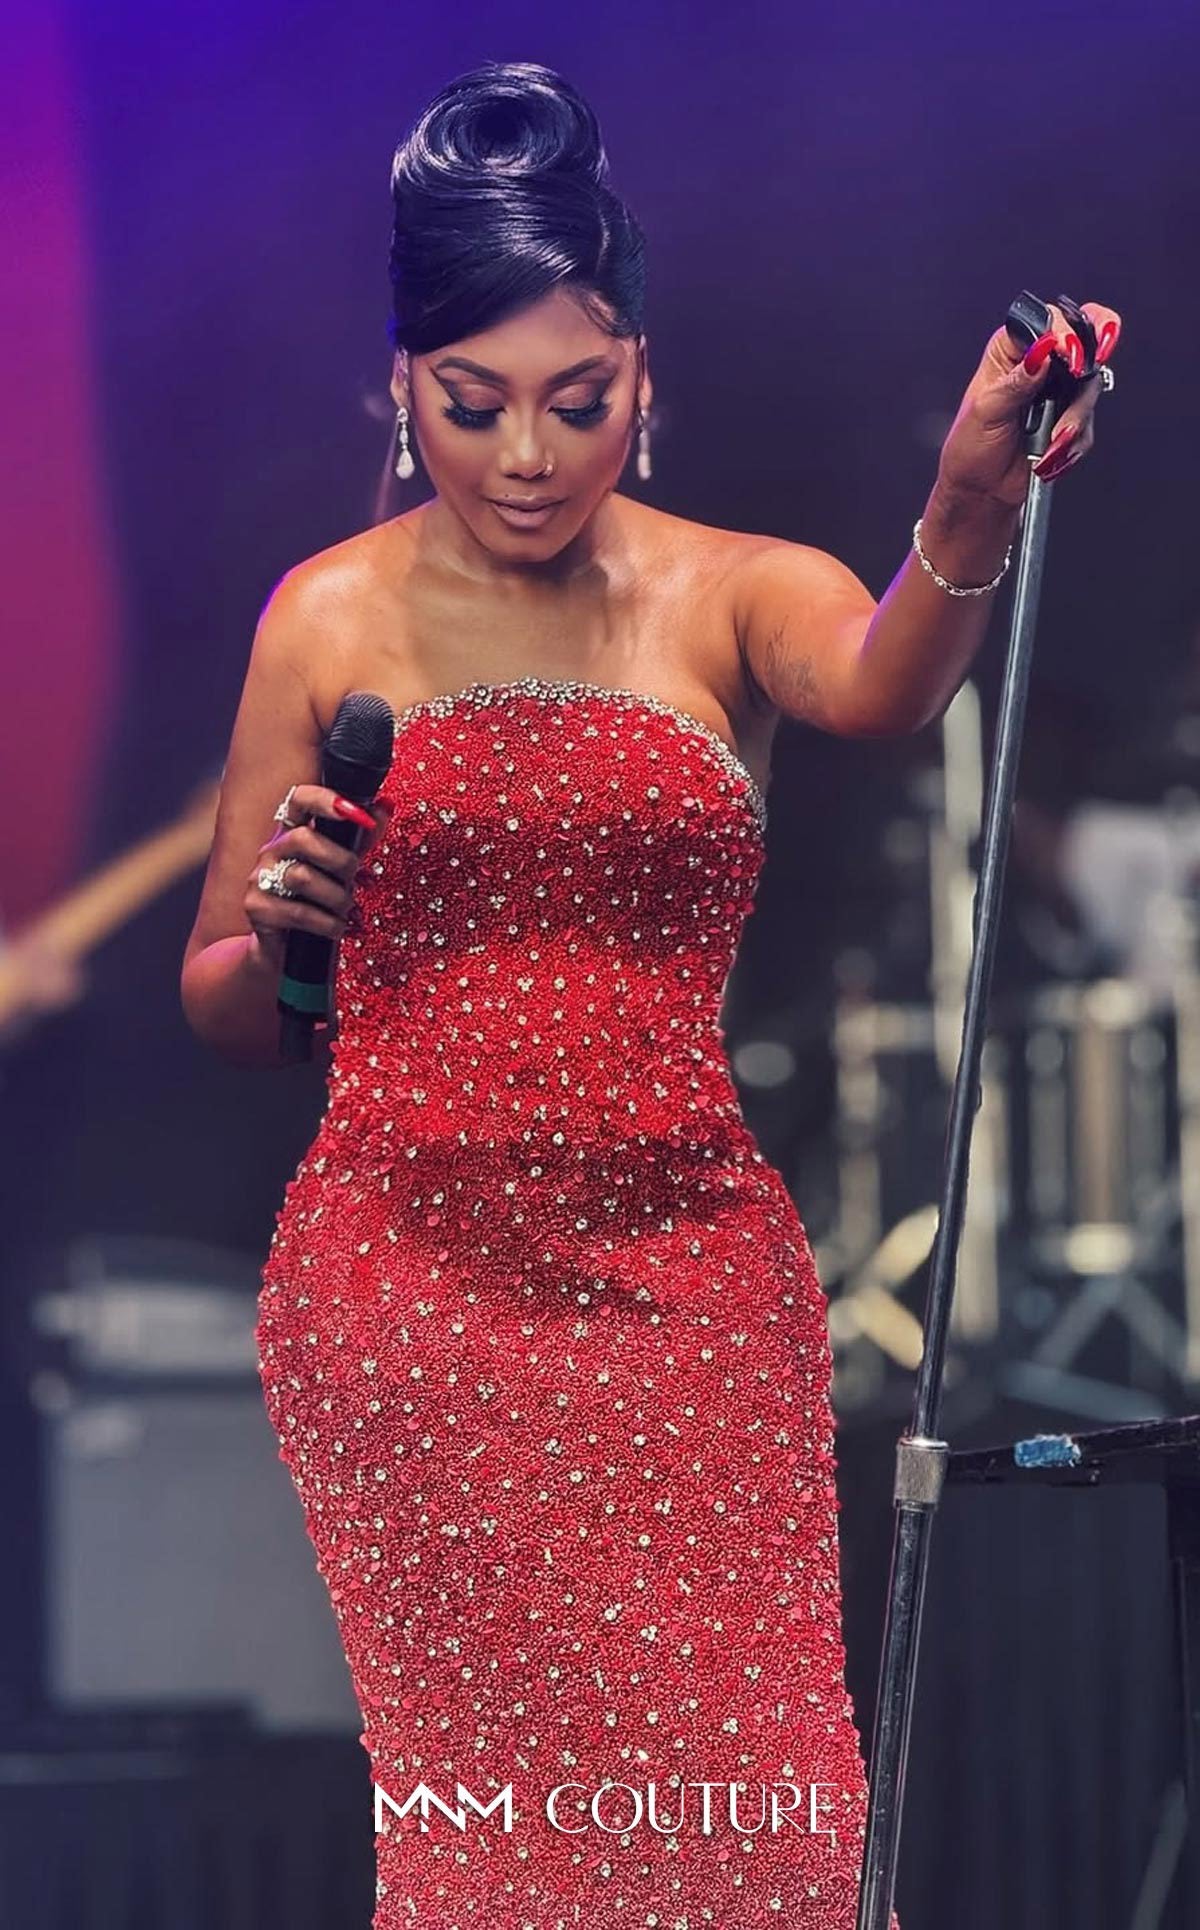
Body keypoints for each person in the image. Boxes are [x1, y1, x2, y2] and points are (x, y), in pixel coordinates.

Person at [180, 58, 1120, 1930]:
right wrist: (294, 937)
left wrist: (964, 494)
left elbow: (882, 687)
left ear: (643, 379)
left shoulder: (727, 592)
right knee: (506, 1860)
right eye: (474, 405)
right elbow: (224, 999)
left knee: (758, 1838)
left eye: (577, 401)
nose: (526, 455)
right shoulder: (326, 617)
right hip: (414, 1302)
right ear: (403, 391)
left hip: (687, 1291)